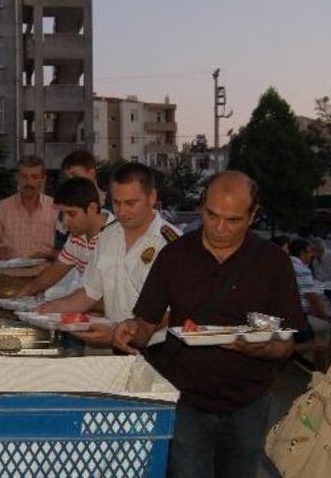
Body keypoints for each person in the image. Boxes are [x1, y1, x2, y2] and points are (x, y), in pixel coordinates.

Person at [113, 171, 305, 478]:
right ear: (201, 206)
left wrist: (262, 347)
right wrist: (130, 331)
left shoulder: (272, 263)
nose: (219, 228)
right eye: (212, 215)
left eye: (233, 220)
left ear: (253, 216)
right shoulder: (175, 255)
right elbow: (146, 323)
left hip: (248, 402)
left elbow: (286, 343)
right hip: (186, 398)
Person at [38, 162, 182, 347]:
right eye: (116, 202)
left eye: (130, 203)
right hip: (113, 344)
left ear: (151, 197)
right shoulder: (107, 236)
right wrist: (46, 310)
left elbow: (174, 311)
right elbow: (89, 293)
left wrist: (126, 333)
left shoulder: (173, 244)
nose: (121, 211)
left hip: (156, 348)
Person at [17, 177, 114, 298]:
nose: (65, 222)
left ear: (92, 209)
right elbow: (57, 269)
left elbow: (107, 296)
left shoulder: (115, 236)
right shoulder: (78, 234)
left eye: (71, 214)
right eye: (62, 214)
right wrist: (23, 294)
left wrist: (62, 305)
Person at [0, 156, 58, 297]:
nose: (28, 182)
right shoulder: (1, 208)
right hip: (11, 282)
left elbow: (67, 252)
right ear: (17, 177)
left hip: (47, 282)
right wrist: (2, 254)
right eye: (24, 177)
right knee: (7, 320)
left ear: (43, 178)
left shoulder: (55, 209)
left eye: (34, 176)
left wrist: (47, 255)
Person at [54, 150, 108, 251]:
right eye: (68, 178)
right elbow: (60, 247)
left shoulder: (115, 206)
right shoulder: (64, 210)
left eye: (75, 175)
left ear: (91, 173)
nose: (71, 181)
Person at [289, 237, 331, 342]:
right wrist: (325, 317)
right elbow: (313, 299)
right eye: (309, 251)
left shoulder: (283, 264)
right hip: (296, 320)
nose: (312, 255)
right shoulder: (302, 270)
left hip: (280, 315)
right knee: (328, 327)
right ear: (302, 253)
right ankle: (326, 354)